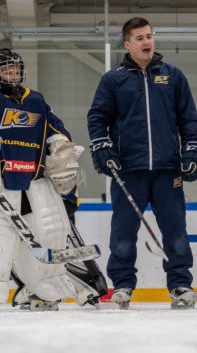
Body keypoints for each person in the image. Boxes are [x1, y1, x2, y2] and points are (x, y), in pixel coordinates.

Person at [87, 17, 197, 309]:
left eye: (149, 36)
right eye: (139, 38)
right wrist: (103, 148)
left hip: (167, 170)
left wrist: (192, 149)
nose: (146, 42)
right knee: (123, 234)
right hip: (129, 170)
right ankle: (123, 285)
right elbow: (97, 118)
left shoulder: (173, 76)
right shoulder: (113, 79)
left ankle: (180, 284)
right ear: (127, 44)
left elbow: (187, 118)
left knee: (176, 232)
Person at [0, 48, 104, 311]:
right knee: (3, 240)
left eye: (15, 69)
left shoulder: (36, 101)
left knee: (49, 234)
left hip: (34, 180)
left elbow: (56, 129)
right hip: (4, 181)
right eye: (5, 70)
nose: (12, 74)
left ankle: (43, 293)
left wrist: (61, 150)